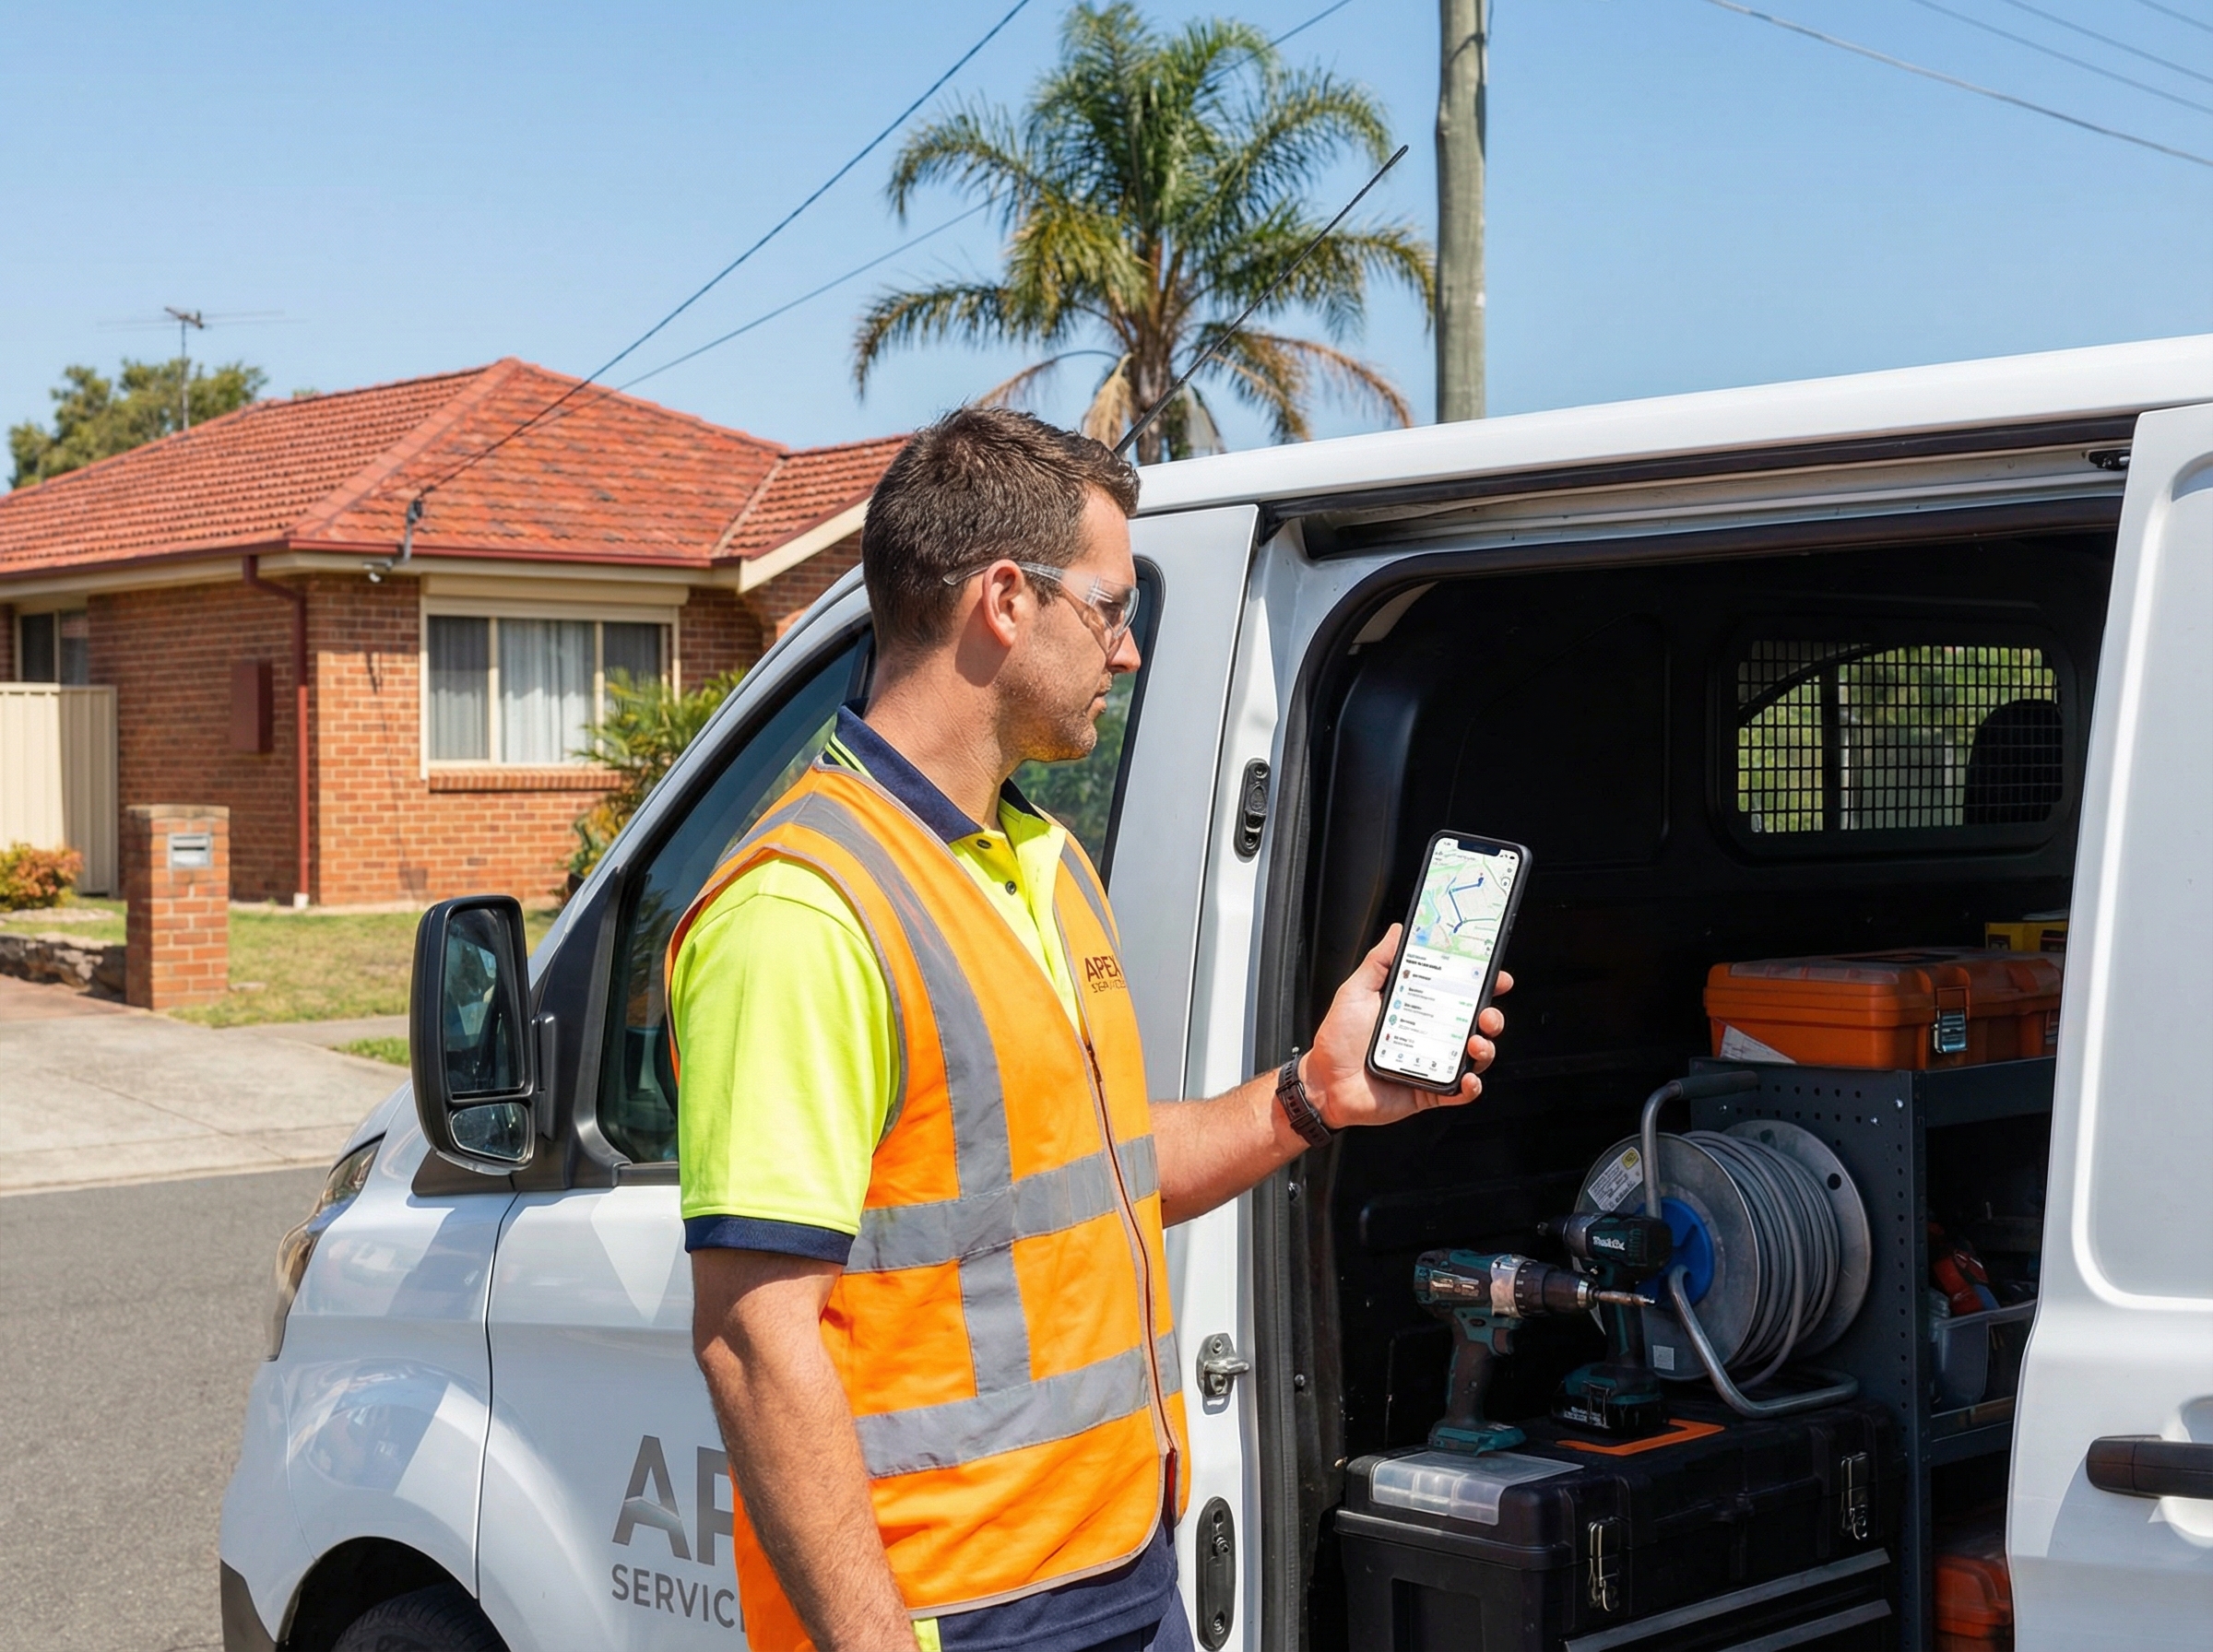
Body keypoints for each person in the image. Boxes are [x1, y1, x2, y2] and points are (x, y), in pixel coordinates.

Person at [669, 407, 1509, 1652]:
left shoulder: (1043, 861)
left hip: (1119, 1570)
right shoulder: (803, 909)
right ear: (1006, 600)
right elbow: (752, 1341)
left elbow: (1094, 1177)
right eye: (1112, 609)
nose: (1125, 654)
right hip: (953, 1611)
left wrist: (1311, 1093)